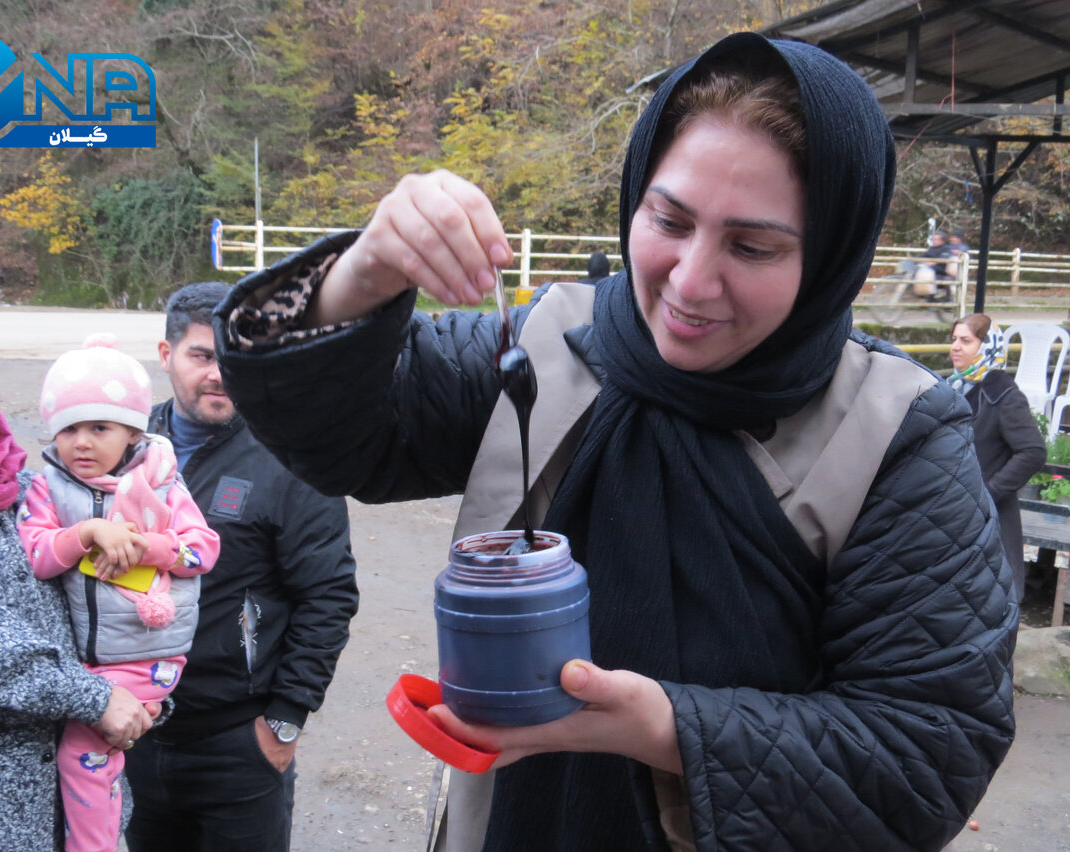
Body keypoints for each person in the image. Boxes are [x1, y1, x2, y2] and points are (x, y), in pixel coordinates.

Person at [214, 32, 1016, 852]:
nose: (690, 281)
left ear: (834, 254)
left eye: (752, 246)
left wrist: (662, 728)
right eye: (668, 219)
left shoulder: (896, 436)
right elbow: (341, 436)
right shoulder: (552, 343)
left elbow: (927, 752)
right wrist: (365, 272)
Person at [122, 281, 360, 852]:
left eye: (234, 356)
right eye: (202, 355)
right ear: (166, 355)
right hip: (131, 733)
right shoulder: (121, 446)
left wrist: (285, 720)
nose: (219, 373)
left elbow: (328, 595)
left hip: (238, 745)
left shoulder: (291, 455)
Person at [0, 331, 155, 850]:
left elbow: (114, 595)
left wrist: (144, 684)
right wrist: (95, 696)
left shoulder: (32, 493)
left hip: (79, 798)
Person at [17, 335, 220, 852]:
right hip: (83, 658)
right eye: (68, 429)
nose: (81, 442)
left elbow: (203, 550)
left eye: (99, 427)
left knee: (82, 754)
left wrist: (145, 544)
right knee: (74, 752)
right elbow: (35, 554)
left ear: (132, 430)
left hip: (148, 655)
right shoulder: (47, 488)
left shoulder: (162, 482)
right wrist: (85, 533)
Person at [949, 314, 1046, 602]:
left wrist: (990, 492)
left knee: (990, 595)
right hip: (954, 510)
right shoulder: (953, 387)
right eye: (953, 339)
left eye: (965, 341)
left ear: (987, 346)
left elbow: (1033, 451)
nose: (955, 347)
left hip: (988, 515)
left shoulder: (1003, 394)